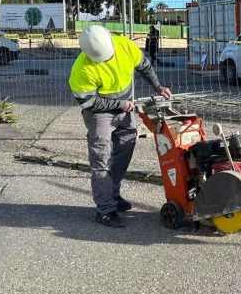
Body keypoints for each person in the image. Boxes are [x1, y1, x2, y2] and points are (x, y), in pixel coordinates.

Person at [69, 26, 171, 228]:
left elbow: (144, 66)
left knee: (125, 148)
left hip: (125, 107)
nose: (106, 60)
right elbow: (88, 102)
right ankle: (105, 209)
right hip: (99, 113)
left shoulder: (125, 46)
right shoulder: (81, 69)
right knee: (101, 158)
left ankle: (113, 195)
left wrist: (158, 86)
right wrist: (119, 104)